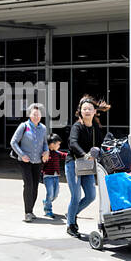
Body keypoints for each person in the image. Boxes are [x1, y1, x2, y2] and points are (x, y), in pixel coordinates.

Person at [65, 96, 103, 238]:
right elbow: (73, 143)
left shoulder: (95, 128)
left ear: (94, 112)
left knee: (91, 196)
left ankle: (71, 213)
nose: (87, 111)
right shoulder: (77, 126)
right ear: (80, 111)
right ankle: (71, 224)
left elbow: (100, 144)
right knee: (76, 196)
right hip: (73, 164)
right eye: (84, 109)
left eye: (90, 109)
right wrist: (85, 154)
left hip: (87, 165)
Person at [10, 103, 50, 221]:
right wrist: (22, 155)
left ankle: (31, 210)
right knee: (28, 185)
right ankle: (27, 212)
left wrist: (46, 152)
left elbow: (45, 144)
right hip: (25, 161)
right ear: (30, 115)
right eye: (34, 114)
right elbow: (13, 142)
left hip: (37, 161)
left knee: (35, 186)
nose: (36, 116)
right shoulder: (24, 126)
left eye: (38, 114)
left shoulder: (43, 128)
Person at [42, 133, 66, 219]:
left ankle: (46, 202)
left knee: (55, 194)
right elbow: (41, 164)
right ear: (52, 144)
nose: (59, 146)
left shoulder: (57, 153)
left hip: (56, 176)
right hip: (47, 176)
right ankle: (48, 210)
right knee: (50, 193)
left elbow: (65, 155)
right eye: (58, 144)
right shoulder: (45, 153)